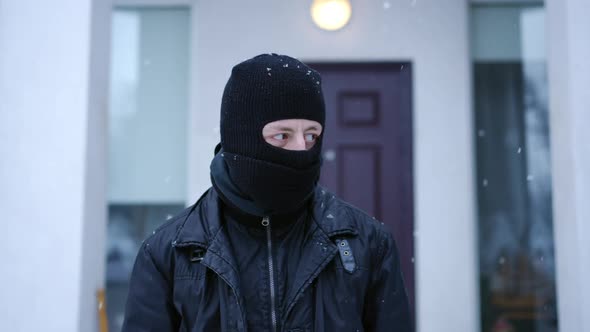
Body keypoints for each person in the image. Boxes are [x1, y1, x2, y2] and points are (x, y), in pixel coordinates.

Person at [122, 53, 411, 332]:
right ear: (241, 139)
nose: (301, 149)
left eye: (311, 135)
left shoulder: (369, 244)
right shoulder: (169, 253)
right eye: (282, 135)